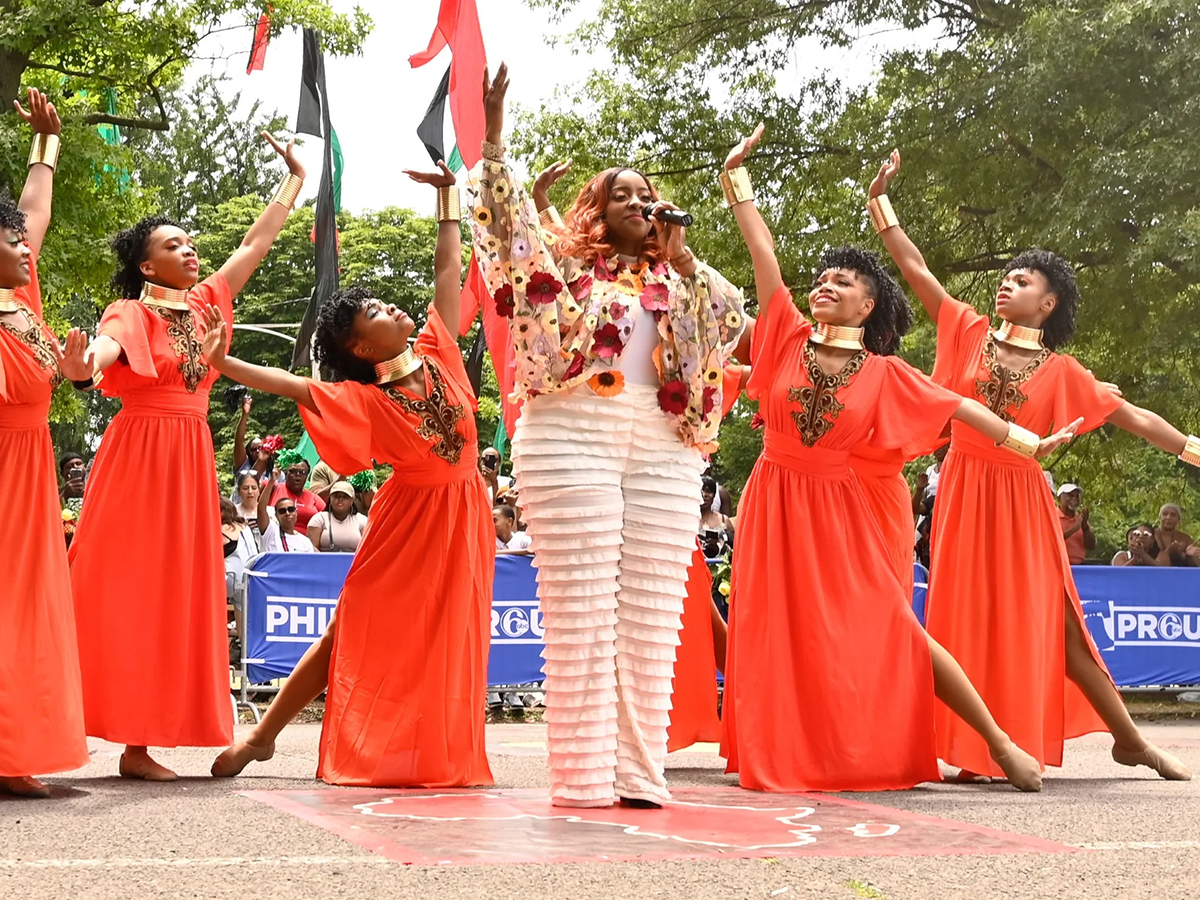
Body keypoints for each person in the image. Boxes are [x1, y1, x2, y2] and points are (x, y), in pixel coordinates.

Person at [717, 124, 1074, 793]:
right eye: (822, 278)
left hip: (840, 514)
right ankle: (793, 749)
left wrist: (1030, 445)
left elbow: (961, 407)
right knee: (777, 633)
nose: (825, 284)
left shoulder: (885, 374)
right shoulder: (785, 334)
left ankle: (1000, 742)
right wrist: (736, 180)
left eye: (843, 280)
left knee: (892, 623)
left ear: (869, 304)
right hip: (773, 501)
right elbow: (762, 250)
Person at [469, 64, 746, 808]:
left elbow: (731, 320)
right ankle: (583, 777)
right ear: (595, 209)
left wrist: (681, 254)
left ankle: (641, 774)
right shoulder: (565, 264)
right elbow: (512, 244)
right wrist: (495, 140)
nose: (637, 202)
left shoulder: (682, 277)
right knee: (583, 609)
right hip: (570, 430)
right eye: (620, 194)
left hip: (664, 438)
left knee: (654, 612)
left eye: (644, 194)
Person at [872, 148, 1192, 781]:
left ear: (1048, 305)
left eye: (1023, 281)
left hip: (1022, 501)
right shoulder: (966, 330)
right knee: (966, 621)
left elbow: (1137, 418)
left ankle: (1131, 740)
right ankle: (980, 749)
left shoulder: (1063, 371)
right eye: (1007, 277)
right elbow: (915, 269)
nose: (1007, 284)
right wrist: (880, 203)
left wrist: (1194, 449)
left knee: (1060, 627)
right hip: (964, 489)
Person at [207, 162, 493, 789]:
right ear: (363, 349)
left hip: (465, 515)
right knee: (348, 627)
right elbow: (291, 384)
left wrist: (448, 201)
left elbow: (448, 271)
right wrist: (223, 360)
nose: (388, 305)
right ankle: (262, 735)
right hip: (409, 524)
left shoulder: (440, 351)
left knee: (450, 635)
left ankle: (430, 750)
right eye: (374, 311)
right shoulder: (365, 401)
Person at [59, 131, 304, 781]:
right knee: (124, 586)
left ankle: (139, 745)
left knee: (175, 593)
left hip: (190, 457)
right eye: (173, 245)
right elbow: (105, 352)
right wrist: (84, 371)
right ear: (147, 268)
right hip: (140, 458)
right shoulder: (129, 313)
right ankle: (56, 716)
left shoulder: (206, 304)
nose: (189, 249)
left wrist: (293, 182)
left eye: (190, 242)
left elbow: (253, 246)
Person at [0, 88, 89, 797]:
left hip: (29, 475)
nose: (24, 247)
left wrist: (46, 146)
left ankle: (13, 748)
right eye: (10, 244)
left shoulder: (21, 301)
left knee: (25, 608)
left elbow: (35, 212)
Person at [307, 481, 368, 552]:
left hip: (354, 558)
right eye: (336, 496)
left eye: (345, 497)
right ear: (330, 499)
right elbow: (312, 547)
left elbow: (366, 548)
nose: (340, 499)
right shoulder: (319, 519)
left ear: (351, 501)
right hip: (323, 558)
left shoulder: (362, 520)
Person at [269, 454, 325, 530]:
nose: (297, 475)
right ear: (286, 473)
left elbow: (328, 518)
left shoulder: (313, 498)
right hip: (276, 534)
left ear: (307, 476)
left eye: (302, 472)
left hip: (306, 536)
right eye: (293, 471)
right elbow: (254, 484)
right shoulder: (274, 487)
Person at [1056, 484, 1095, 565]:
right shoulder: (1052, 517)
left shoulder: (1080, 518)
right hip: (1058, 565)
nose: (1074, 499)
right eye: (1070, 495)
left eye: (1077, 496)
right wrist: (1074, 529)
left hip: (1079, 566)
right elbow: (1051, 541)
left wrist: (1085, 527)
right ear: (1059, 498)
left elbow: (1091, 546)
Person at [698, 475, 734, 559]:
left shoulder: (724, 520)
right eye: (701, 491)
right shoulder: (689, 521)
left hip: (722, 565)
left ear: (714, 495)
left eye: (708, 491)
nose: (704, 495)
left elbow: (735, 549)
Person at [234, 470, 270, 547]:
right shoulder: (232, 512)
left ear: (259, 490)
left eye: (254, 488)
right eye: (245, 488)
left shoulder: (270, 512)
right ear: (239, 491)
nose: (250, 492)